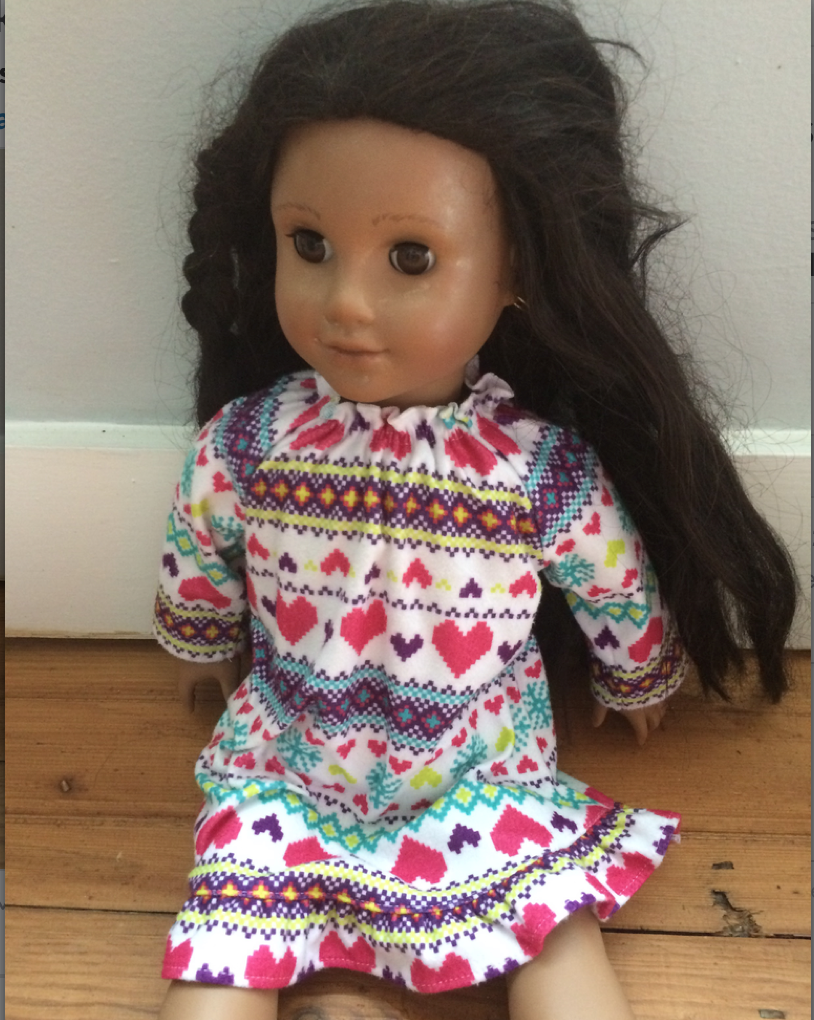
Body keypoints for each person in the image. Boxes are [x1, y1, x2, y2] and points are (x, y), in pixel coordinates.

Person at [153, 2, 797, 1017]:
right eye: (309, 243)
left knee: (551, 925)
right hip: (291, 762)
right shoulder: (247, 444)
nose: (346, 302)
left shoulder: (534, 471)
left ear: (520, 275)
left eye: (410, 258)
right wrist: (203, 642)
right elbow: (199, 545)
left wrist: (635, 673)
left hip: (476, 770)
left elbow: (610, 577)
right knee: (224, 944)